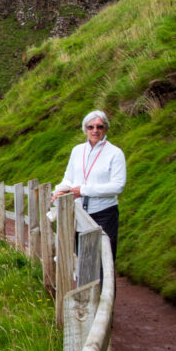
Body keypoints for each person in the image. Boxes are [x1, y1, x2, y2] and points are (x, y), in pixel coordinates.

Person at [51, 110, 126, 259]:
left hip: (104, 213)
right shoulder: (77, 151)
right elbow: (69, 179)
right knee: (82, 258)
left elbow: (118, 186)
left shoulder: (115, 153)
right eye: (91, 127)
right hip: (79, 212)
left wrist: (84, 191)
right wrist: (59, 191)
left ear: (106, 129)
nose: (95, 130)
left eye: (99, 126)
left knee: (103, 259)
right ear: (85, 129)